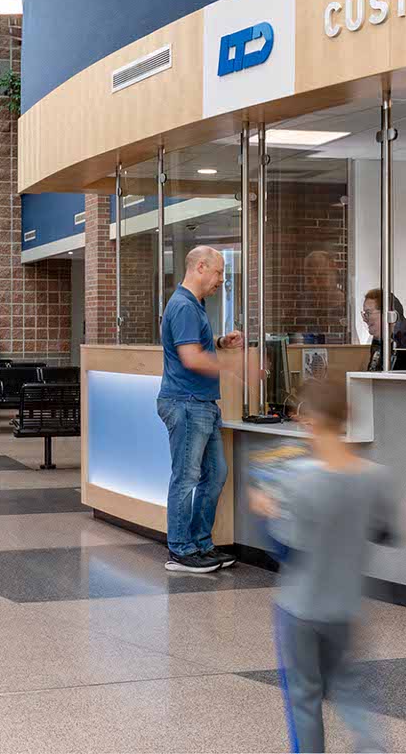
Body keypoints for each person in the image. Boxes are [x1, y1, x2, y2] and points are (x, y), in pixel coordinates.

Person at [248, 373, 399, 752]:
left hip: (300, 606)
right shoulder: (376, 478)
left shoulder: (302, 482)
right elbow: (384, 532)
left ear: (310, 422)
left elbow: (285, 547)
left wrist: (266, 511)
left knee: (304, 698)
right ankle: (371, 746)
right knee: (348, 686)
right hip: (345, 605)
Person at [156, 243, 242, 573]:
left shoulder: (194, 305)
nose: (222, 279)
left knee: (215, 473)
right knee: (186, 477)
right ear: (200, 268)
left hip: (201, 404)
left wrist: (220, 343)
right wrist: (237, 367)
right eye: (219, 272)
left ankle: (201, 543)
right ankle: (180, 549)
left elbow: (192, 346)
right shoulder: (184, 306)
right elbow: (191, 358)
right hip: (187, 403)